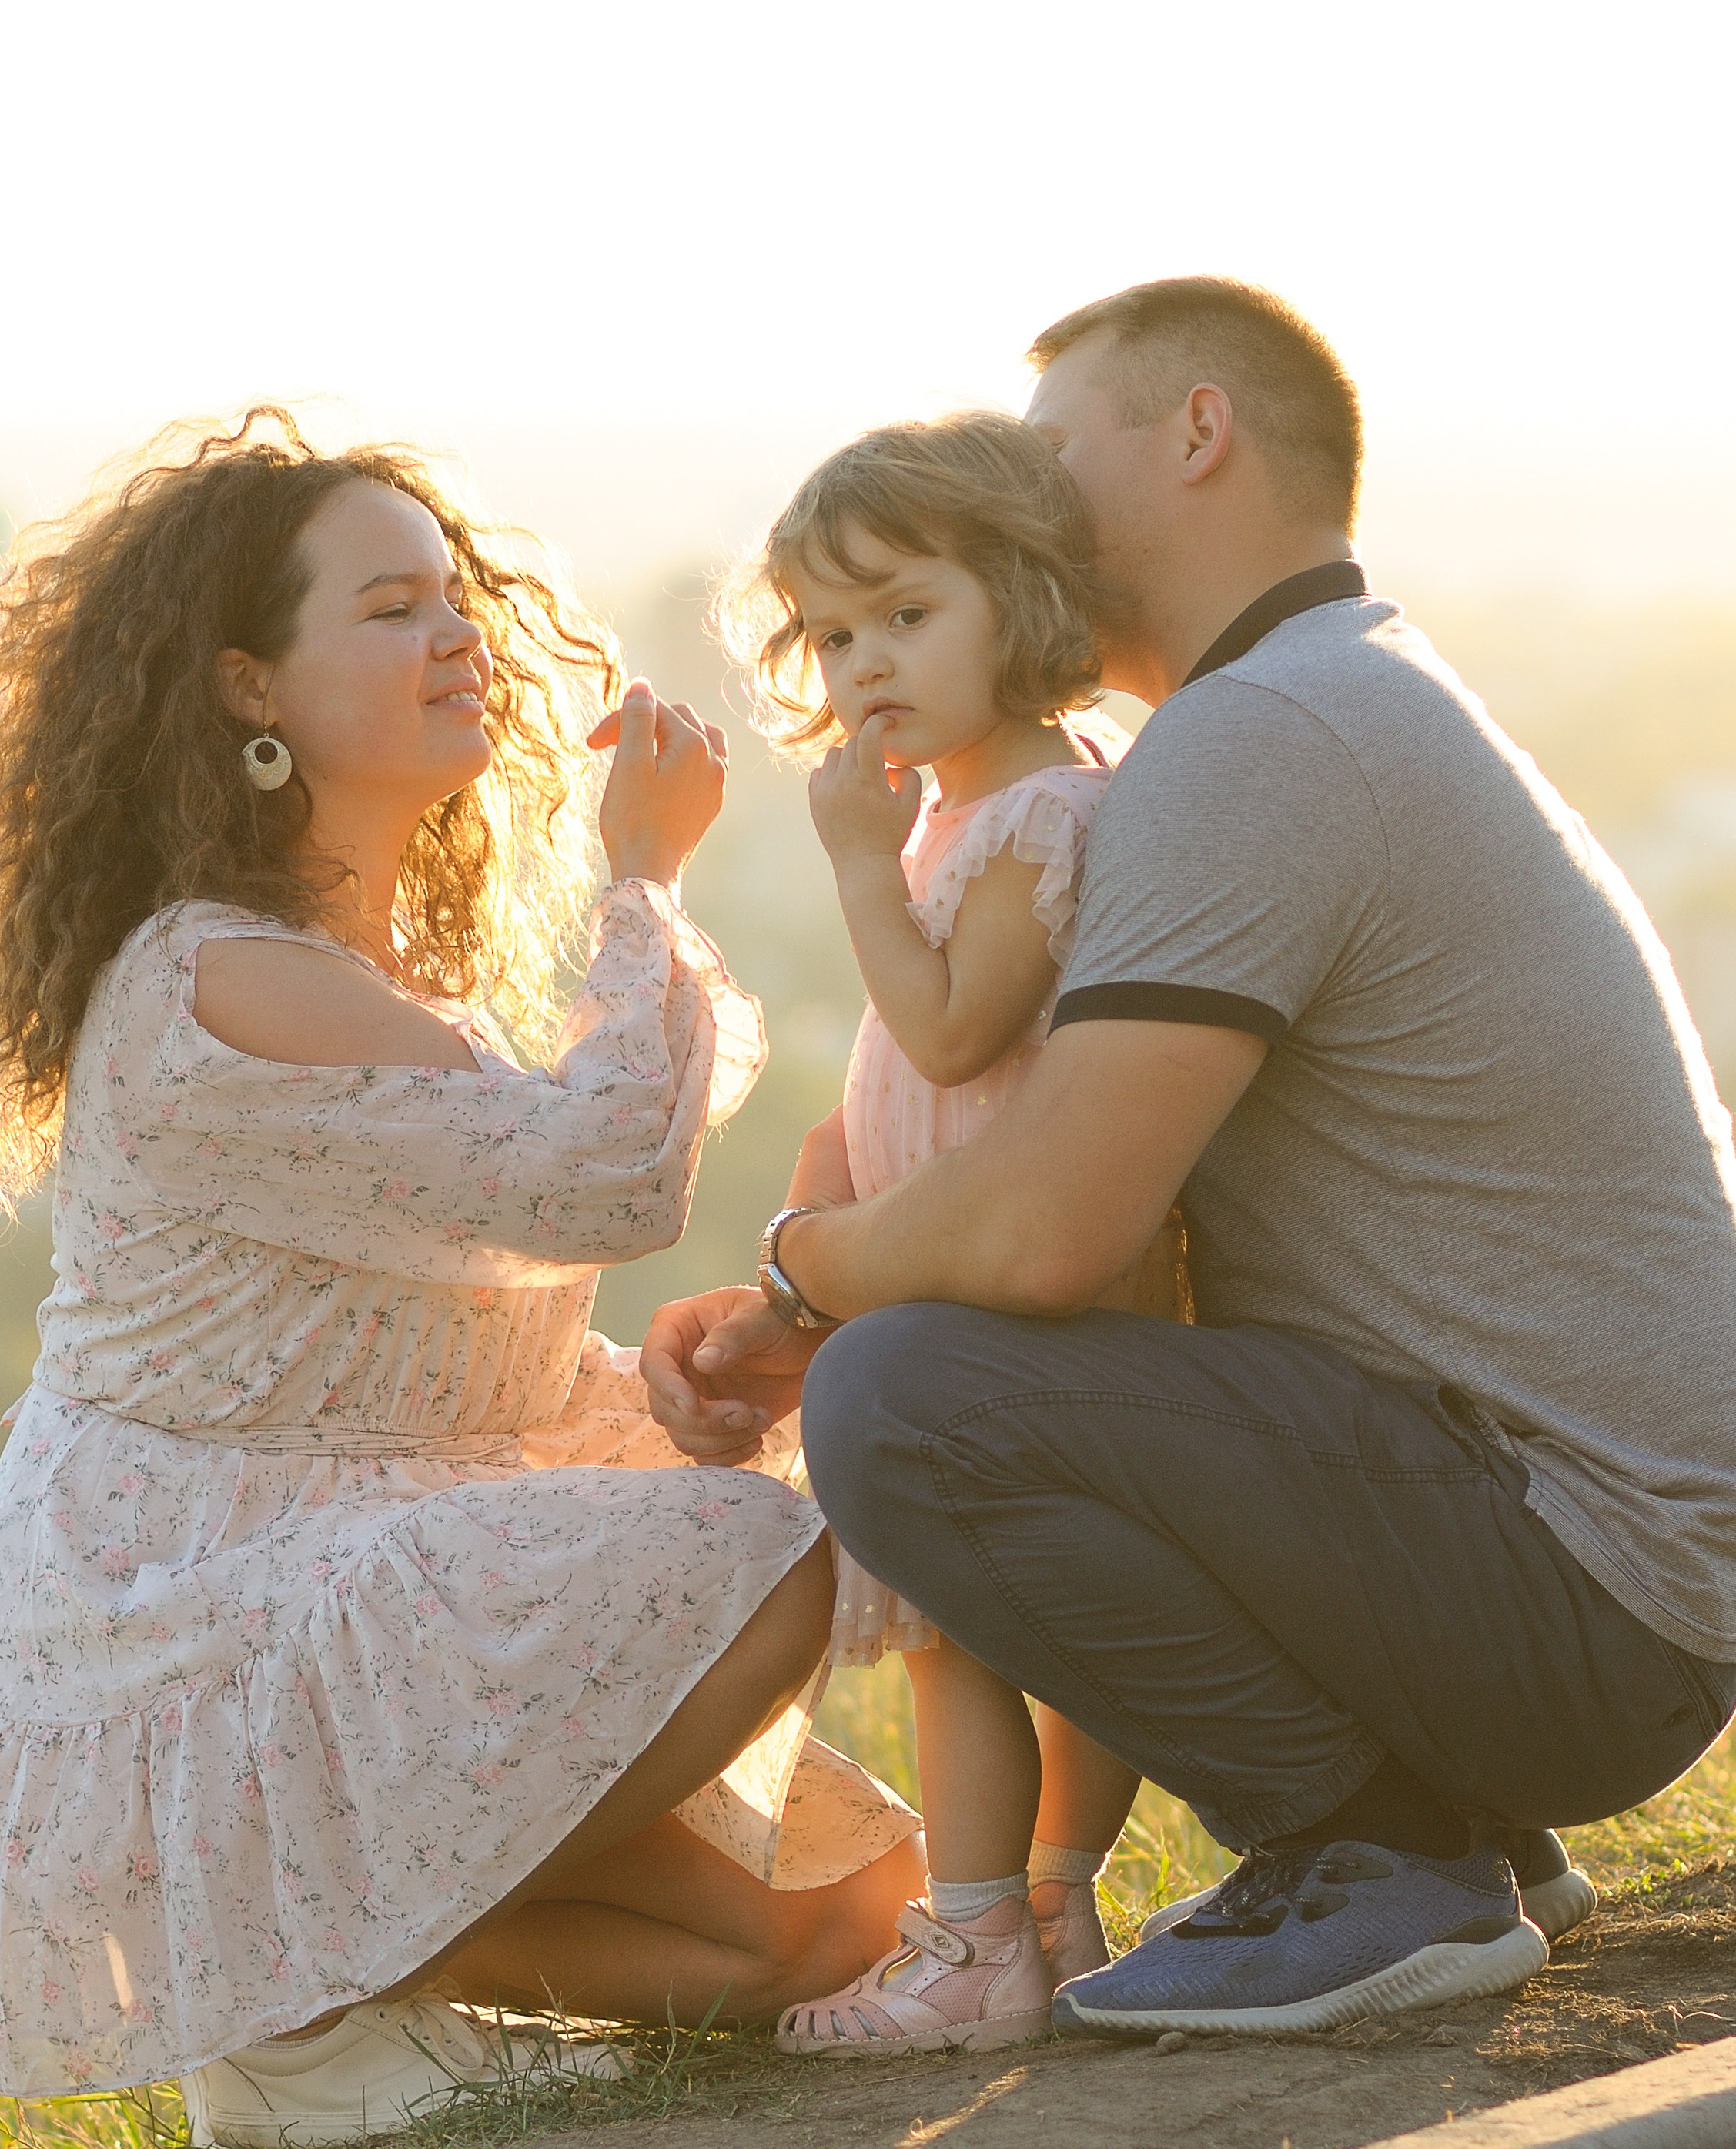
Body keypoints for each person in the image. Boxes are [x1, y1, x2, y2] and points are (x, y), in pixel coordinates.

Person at [0, 411, 919, 2145]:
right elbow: (610, 1176)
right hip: (197, 1619)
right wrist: (642, 876)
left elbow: (394, 1360)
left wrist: (648, 1391)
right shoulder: (215, 975)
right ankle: (298, 2004)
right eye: (389, 608)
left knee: (845, 1919)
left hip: (335, 1581)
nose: (456, 634)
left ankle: (322, 1995)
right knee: (769, 1555)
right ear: (248, 687)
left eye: (453, 596)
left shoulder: (352, 975)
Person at [643, 277, 1736, 2043]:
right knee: (937, 1359)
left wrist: (801, 1284)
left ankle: (1380, 1855)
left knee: (905, 1401)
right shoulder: (1313, 700)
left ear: (1199, 433)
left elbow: (1049, 1231)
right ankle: (1444, 1822)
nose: (1022, 496)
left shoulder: (1260, 739)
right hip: (1608, 1573)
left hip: (1588, 1595)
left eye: (1051, 452)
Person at [718, 410, 1176, 2054]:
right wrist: (830, 1181)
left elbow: (953, 1032)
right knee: (1001, 1625)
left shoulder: (1030, 812)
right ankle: (1045, 1906)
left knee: (957, 1633)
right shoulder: (976, 802)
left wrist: (853, 869)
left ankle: (978, 1937)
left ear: (1023, 600)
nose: (864, 665)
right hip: (942, 1268)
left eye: (907, 616)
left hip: (994, 1296)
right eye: (833, 636)